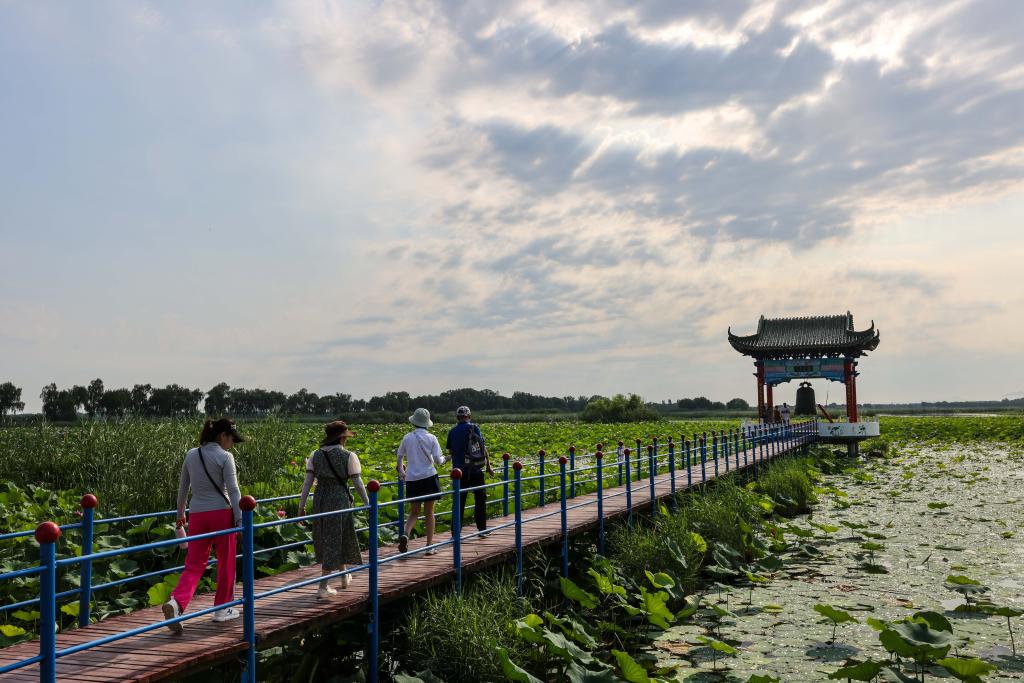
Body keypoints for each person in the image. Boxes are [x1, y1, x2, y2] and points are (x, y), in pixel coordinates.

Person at [163, 418, 244, 633]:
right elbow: (234, 491)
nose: (232, 444)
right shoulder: (226, 457)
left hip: (197, 514)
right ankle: (222, 609)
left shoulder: (191, 454)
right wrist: (240, 519)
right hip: (221, 513)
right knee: (226, 561)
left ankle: (176, 603)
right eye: (231, 438)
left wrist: (180, 514)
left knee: (194, 564)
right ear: (222, 436)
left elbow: (183, 488)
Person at [298, 420, 370, 599]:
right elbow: (358, 483)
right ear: (342, 438)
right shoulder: (349, 456)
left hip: (320, 498)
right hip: (339, 499)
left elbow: (307, 483)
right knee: (334, 536)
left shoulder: (315, 455)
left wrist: (301, 506)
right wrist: (369, 503)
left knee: (334, 535)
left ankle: (344, 576)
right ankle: (323, 586)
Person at [396, 408, 445, 555]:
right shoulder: (432, 438)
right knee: (429, 512)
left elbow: (399, 456)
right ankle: (429, 546)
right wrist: (446, 459)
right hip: (429, 477)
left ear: (414, 422)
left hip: (412, 479)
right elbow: (438, 460)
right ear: (427, 423)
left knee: (414, 512)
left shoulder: (407, 438)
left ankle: (405, 533)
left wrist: (402, 471)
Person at [445, 406, 493, 535]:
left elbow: (451, 451)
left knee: (458, 502)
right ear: (469, 416)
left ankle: (455, 532)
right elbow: (482, 447)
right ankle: (482, 529)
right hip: (475, 469)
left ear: (457, 418)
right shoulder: (474, 428)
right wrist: (488, 465)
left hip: (459, 473)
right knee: (480, 500)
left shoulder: (452, 432)